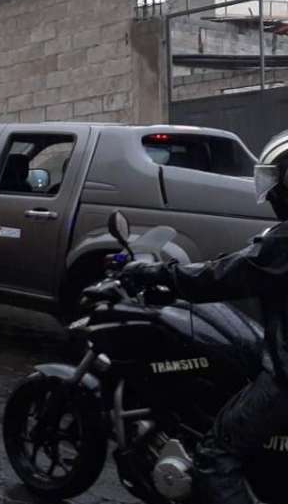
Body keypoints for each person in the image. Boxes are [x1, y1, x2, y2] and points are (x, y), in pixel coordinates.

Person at [123, 134, 288, 504]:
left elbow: (227, 273)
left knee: (215, 458)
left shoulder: (284, 243)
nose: (274, 190)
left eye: (279, 179)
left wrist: (161, 275)